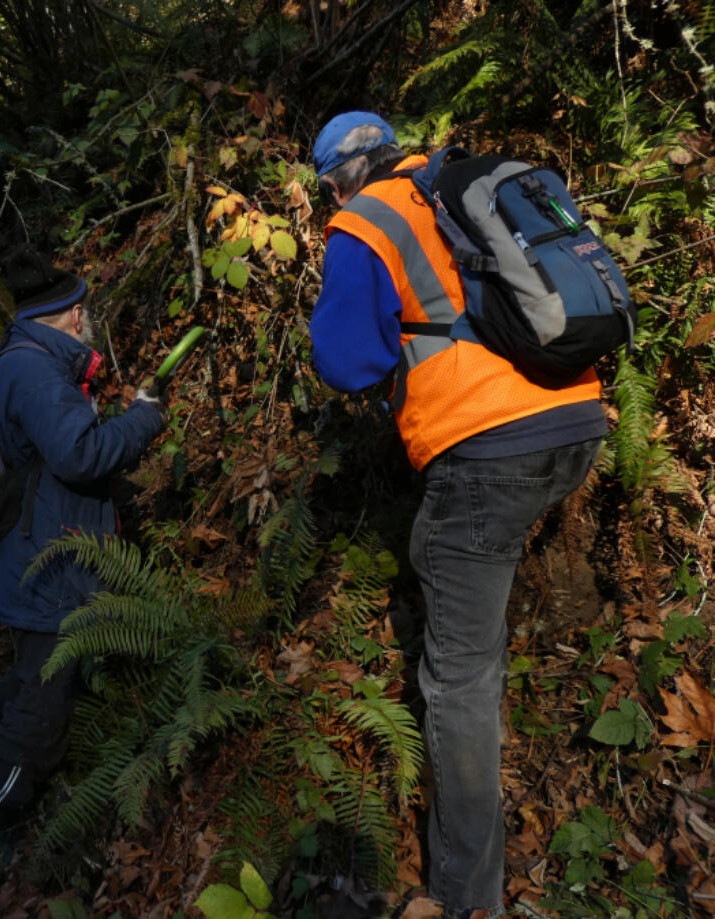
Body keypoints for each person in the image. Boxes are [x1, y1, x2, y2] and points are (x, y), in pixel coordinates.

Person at [309, 112, 608, 919]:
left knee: (459, 679)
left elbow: (345, 359)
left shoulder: (364, 220)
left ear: (340, 177)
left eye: (326, 188)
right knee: (479, 627)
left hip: (488, 450)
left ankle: (468, 897)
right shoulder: (458, 185)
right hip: (577, 418)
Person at [0, 250, 165, 857]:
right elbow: (80, 454)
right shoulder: (36, 373)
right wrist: (143, 420)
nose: (87, 316)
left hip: (33, 558)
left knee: (36, 671)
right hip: (46, 569)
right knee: (43, 711)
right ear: (67, 315)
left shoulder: (26, 363)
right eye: (82, 306)